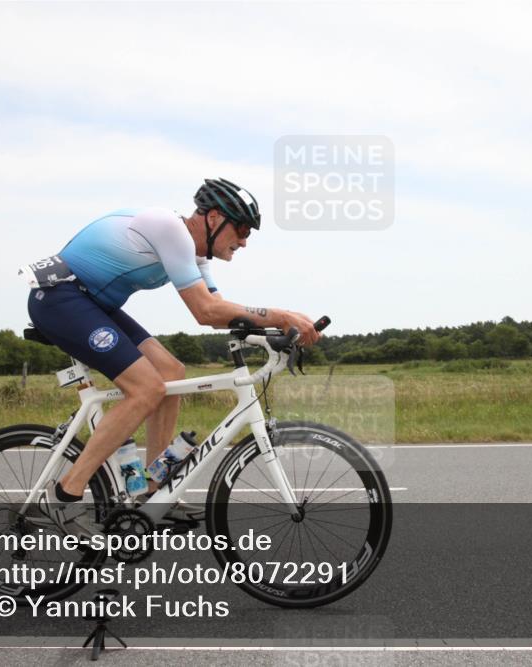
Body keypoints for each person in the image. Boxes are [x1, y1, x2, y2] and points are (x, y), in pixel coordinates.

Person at [23, 178, 320, 535]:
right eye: (241, 229)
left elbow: (220, 312)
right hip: (61, 299)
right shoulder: (169, 229)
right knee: (147, 388)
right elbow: (205, 311)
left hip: (92, 303)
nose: (243, 241)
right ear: (213, 219)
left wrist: (269, 335)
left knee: (171, 371)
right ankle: (66, 494)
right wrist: (282, 315)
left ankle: (153, 489)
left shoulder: (194, 254)